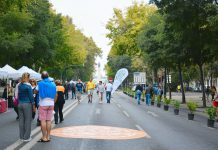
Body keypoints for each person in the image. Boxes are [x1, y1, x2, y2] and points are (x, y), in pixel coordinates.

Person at [37, 71, 56, 142]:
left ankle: (44, 137)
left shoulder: (40, 83)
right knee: (49, 120)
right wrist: (53, 102)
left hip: (43, 103)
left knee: (43, 121)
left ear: (41, 77)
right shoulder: (53, 83)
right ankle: (48, 136)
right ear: (48, 76)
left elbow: (35, 91)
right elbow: (55, 94)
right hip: (51, 104)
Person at [18, 73, 35, 142]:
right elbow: (31, 97)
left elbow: (17, 94)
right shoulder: (28, 86)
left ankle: (21, 137)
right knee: (28, 120)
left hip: (20, 104)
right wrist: (33, 105)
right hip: (27, 104)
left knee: (21, 121)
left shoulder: (19, 85)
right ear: (27, 78)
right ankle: (26, 137)